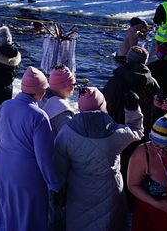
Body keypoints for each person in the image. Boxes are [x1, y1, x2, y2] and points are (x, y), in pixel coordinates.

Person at [54, 87, 144, 231]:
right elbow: (137, 131)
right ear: (103, 105)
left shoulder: (67, 132)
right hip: (110, 189)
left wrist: (57, 188)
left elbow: (59, 164)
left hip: (78, 190)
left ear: (80, 107)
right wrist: (132, 109)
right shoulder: (116, 132)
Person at [0, 66, 62, 231]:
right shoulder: (39, 116)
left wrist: (0, 161)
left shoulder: (5, 106)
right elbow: (44, 158)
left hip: (3, 168)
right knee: (29, 217)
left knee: (7, 211)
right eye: (45, 89)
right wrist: (55, 185)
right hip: (27, 173)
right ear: (38, 91)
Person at [40, 65, 75, 137]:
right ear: (69, 86)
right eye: (73, 84)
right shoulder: (63, 112)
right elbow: (68, 139)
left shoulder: (39, 98)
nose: (74, 87)